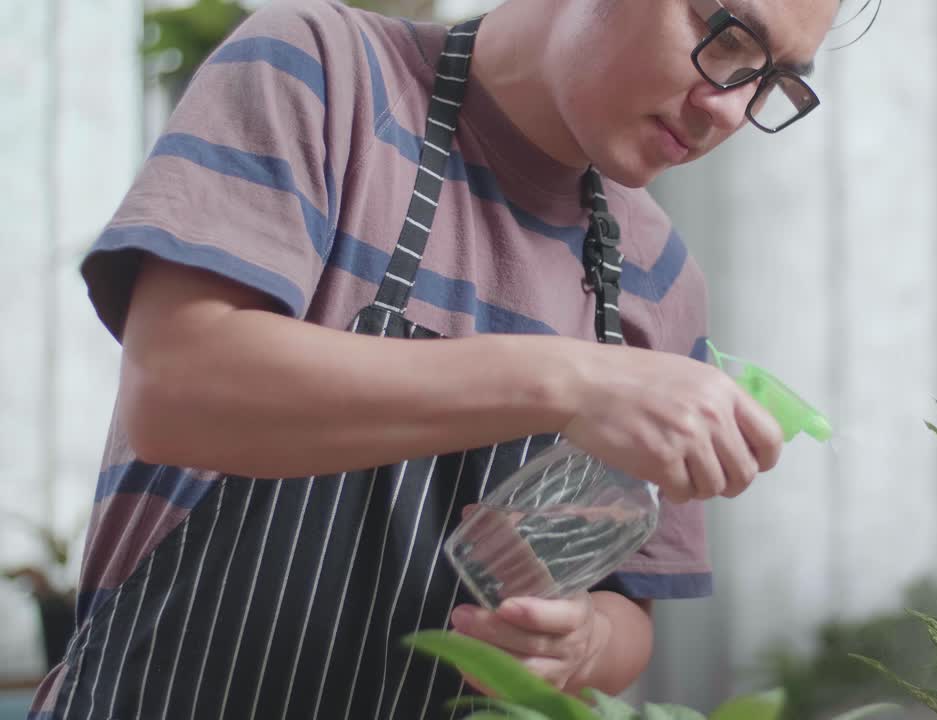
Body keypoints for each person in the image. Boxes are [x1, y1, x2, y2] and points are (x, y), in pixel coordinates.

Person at [28, 0, 839, 716]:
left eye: (772, 84)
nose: (730, 110)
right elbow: (179, 389)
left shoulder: (659, 279)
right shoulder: (321, 73)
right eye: (723, 34)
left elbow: (627, 610)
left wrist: (582, 644)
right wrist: (572, 379)